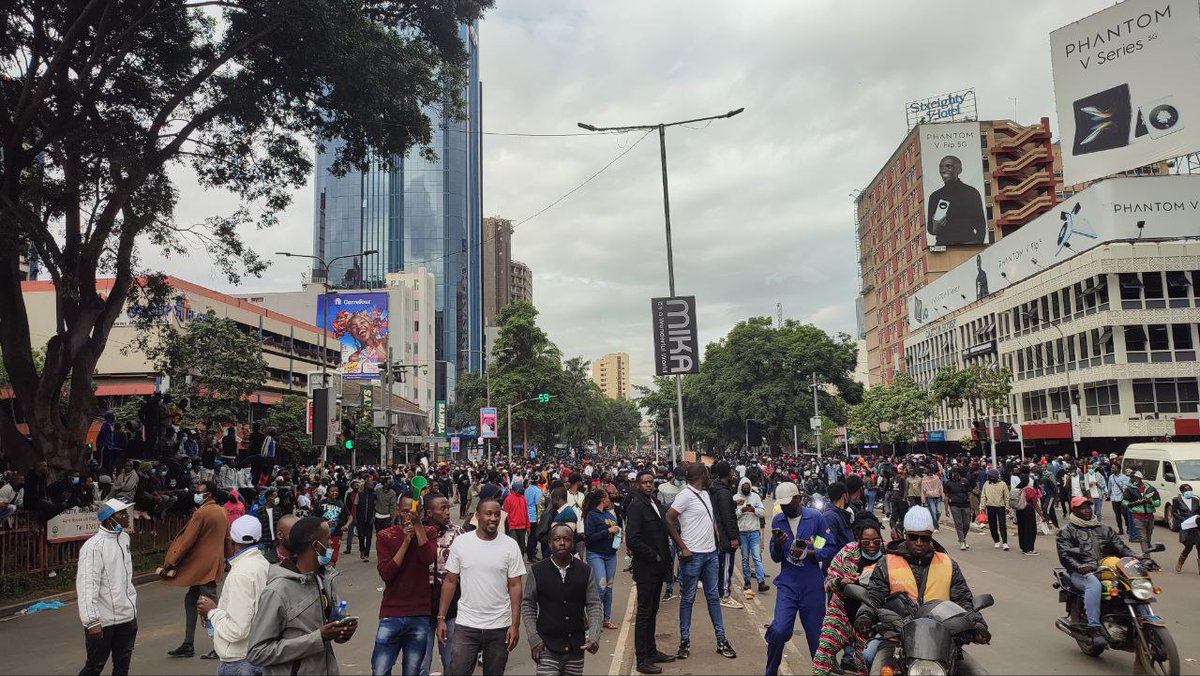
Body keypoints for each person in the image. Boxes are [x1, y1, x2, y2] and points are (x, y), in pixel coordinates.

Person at [854, 507, 989, 672]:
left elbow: (963, 600)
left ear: (931, 538)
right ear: (905, 535)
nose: (919, 542)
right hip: (896, 640)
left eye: (924, 538)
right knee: (869, 656)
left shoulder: (948, 564)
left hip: (942, 642)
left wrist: (978, 624)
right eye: (913, 537)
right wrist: (865, 616)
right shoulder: (886, 563)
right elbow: (874, 597)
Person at [247, 516, 357, 675]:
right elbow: (257, 652)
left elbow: (327, 628)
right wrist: (318, 638)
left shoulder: (324, 579)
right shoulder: (277, 591)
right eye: (327, 539)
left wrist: (342, 630)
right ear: (316, 546)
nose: (332, 542)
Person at [438, 497, 526, 676]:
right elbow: (450, 581)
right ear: (477, 516)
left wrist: (515, 624)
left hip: (499, 626)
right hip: (466, 625)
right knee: (458, 671)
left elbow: (515, 585)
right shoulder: (462, 543)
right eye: (488, 514)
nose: (493, 518)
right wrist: (441, 617)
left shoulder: (510, 545)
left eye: (497, 514)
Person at [664, 462, 736, 660]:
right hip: (693, 555)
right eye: (706, 472)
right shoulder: (685, 495)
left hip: (710, 554)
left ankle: (721, 640)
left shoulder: (705, 494)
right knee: (688, 599)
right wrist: (683, 547)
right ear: (702, 475)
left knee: (713, 597)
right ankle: (684, 642)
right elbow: (669, 518)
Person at [1056, 496, 1139, 650]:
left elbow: (1122, 549)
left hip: (1107, 569)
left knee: (1131, 582)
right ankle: (1094, 626)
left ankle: (1134, 619)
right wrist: (1079, 566)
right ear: (1074, 510)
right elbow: (1065, 556)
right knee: (1093, 584)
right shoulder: (1066, 532)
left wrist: (1139, 557)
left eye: (1089, 507)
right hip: (1081, 573)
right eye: (1082, 508)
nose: (1087, 510)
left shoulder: (1105, 528)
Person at [520, 523, 603, 676]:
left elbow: (594, 604)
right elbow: (528, 604)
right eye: (557, 539)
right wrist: (534, 638)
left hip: (576, 648)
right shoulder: (537, 571)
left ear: (573, 542)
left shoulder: (585, 571)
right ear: (550, 542)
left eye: (567, 539)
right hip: (546, 646)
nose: (562, 543)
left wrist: (594, 636)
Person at [161, 480, 228, 659]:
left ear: (210, 494)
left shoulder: (202, 513)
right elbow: (227, 540)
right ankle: (188, 643)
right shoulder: (221, 511)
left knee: (209, 608)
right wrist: (229, 560)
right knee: (191, 600)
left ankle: (219, 646)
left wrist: (171, 561)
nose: (197, 493)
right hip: (212, 565)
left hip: (201, 567)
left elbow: (187, 542)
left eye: (200, 491)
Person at [763, 482, 826, 675]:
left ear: (798, 499)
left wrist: (810, 551)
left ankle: (820, 672)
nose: (784, 508)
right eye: (781, 505)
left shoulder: (815, 518)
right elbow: (774, 556)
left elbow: (826, 548)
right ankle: (770, 671)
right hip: (788, 584)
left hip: (812, 586)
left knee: (816, 640)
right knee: (780, 631)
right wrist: (779, 545)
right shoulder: (778, 521)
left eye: (788, 504)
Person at [812, 515, 885, 676]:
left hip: (870, 622)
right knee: (822, 658)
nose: (872, 545)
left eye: (876, 541)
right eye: (866, 542)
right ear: (859, 540)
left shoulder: (888, 557)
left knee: (865, 664)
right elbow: (828, 581)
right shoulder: (848, 552)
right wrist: (841, 581)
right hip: (842, 613)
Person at [372, 494, 436, 675]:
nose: (409, 516)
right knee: (380, 669)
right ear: (398, 512)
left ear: (421, 512)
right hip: (391, 613)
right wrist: (406, 542)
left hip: (419, 613)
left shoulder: (429, 532)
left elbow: (428, 559)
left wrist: (418, 529)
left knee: (413, 670)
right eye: (406, 512)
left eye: (414, 512)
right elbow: (387, 574)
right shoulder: (386, 536)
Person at [198, 515, 270, 676]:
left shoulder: (241, 573)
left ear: (231, 540)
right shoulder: (262, 564)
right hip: (256, 654)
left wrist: (212, 612)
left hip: (240, 660)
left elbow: (237, 630)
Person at [77, 499, 138, 676]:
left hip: (127, 617)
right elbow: (87, 584)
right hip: (103, 622)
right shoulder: (94, 547)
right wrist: (91, 621)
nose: (127, 517)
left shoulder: (124, 538)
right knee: (94, 667)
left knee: (122, 666)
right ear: (110, 518)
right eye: (122, 514)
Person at [625, 469, 676, 675]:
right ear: (638, 484)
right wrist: (653, 555)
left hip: (659, 567)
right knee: (644, 613)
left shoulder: (654, 503)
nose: (648, 485)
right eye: (644, 482)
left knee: (653, 610)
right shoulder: (636, 507)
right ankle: (642, 658)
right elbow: (632, 540)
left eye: (650, 482)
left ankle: (652, 650)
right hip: (646, 568)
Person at [422, 493, 464, 675]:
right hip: (422, 605)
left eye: (448, 507)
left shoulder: (458, 533)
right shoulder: (419, 533)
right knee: (421, 662)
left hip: (451, 605)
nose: (447, 512)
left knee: (452, 661)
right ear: (429, 512)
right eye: (442, 508)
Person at [583, 487, 622, 631]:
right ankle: (595, 619)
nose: (609, 499)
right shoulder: (591, 516)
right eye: (607, 497)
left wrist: (618, 533)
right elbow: (589, 538)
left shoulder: (609, 514)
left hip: (610, 555)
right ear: (601, 500)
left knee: (609, 587)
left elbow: (614, 529)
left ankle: (606, 619)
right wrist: (607, 531)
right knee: (601, 587)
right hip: (596, 554)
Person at [925, 154, 986, 245]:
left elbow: (980, 224)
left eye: (948, 166)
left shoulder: (971, 193)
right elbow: (931, 230)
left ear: (959, 170)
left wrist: (976, 245)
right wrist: (936, 227)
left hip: (968, 244)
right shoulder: (935, 196)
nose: (943, 170)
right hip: (944, 247)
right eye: (941, 167)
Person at [706, 461, 742, 610]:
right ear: (729, 472)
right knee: (727, 565)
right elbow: (727, 517)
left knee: (720, 566)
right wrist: (733, 537)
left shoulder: (714, 489)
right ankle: (725, 595)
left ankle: (720, 591)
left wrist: (733, 503)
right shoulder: (724, 492)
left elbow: (722, 508)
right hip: (725, 537)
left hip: (717, 534)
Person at [732, 476, 769, 595]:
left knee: (756, 557)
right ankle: (747, 581)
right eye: (744, 487)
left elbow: (762, 512)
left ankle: (761, 581)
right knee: (744, 558)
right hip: (742, 533)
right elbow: (732, 515)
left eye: (748, 487)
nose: (746, 489)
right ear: (740, 487)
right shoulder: (735, 498)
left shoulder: (756, 497)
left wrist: (754, 510)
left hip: (754, 532)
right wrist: (741, 511)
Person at [657, 466, 686, 601]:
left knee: (682, 559)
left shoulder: (686, 488)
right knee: (670, 558)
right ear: (673, 476)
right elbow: (659, 507)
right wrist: (673, 505)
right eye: (678, 479)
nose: (680, 481)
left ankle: (682, 587)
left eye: (682, 479)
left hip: (683, 529)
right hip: (668, 529)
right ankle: (668, 588)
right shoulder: (663, 488)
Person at [1123, 470, 1161, 553]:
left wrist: (1150, 502)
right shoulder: (1129, 489)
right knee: (1143, 537)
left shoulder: (1151, 489)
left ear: (1139, 478)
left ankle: (1146, 552)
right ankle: (1147, 559)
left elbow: (1158, 502)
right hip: (1137, 517)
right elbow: (1124, 502)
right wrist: (1134, 503)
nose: (1131, 480)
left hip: (1150, 517)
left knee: (1148, 538)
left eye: (1133, 478)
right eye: (1131, 478)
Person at [1172, 484, 1200, 573]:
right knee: (1189, 546)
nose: (1189, 492)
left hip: (1196, 525)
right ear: (1182, 492)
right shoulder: (1177, 500)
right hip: (1186, 525)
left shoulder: (1195, 500)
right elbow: (1174, 512)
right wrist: (1181, 519)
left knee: (1199, 546)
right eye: (1187, 490)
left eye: (1190, 490)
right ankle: (1180, 562)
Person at [943, 468, 973, 550]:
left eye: (954, 473)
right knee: (958, 524)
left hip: (965, 505)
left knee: (966, 524)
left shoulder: (965, 481)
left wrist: (972, 507)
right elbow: (946, 496)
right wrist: (946, 509)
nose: (953, 475)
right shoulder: (947, 483)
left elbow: (969, 494)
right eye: (952, 473)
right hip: (954, 505)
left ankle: (962, 538)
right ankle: (962, 541)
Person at [980, 469, 1010, 551]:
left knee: (1002, 525)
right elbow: (983, 496)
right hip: (990, 507)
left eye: (989, 476)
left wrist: (1007, 507)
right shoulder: (986, 484)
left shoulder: (1003, 484)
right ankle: (996, 541)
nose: (988, 477)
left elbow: (1007, 497)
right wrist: (982, 507)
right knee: (992, 525)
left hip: (1001, 507)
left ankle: (1005, 543)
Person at [318, 485, 346, 566]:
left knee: (333, 558)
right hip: (322, 535)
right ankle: (323, 574)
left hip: (336, 534)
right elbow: (315, 518)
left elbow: (348, 516)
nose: (335, 493)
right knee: (323, 557)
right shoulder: (321, 503)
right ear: (327, 492)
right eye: (332, 491)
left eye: (336, 491)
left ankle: (330, 575)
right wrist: (325, 523)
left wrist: (345, 525)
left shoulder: (340, 503)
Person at [504, 481, 532, 558]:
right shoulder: (508, 499)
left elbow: (526, 513)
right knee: (514, 548)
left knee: (522, 548)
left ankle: (521, 562)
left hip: (522, 527)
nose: (522, 490)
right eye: (520, 489)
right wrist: (508, 528)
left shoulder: (523, 498)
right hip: (512, 528)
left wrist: (528, 526)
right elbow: (506, 515)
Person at [524, 477, 544, 562]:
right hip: (533, 516)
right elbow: (537, 505)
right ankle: (531, 557)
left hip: (527, 514)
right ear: (537, 482)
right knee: (533, 538)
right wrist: (538, 518)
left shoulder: (527, 489)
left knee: (530, 537)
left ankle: (531, 555)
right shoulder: (538, 491)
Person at [920, 468, 944, 532]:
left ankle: (934, 521)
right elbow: (923, 490)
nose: (931, 473)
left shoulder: (936, 477)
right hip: (929, 497)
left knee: (939, 511)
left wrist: (942, 495)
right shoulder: (924, 479)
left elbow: (940, 486)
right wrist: (923, 500)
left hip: (937, 496)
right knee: (933, 512)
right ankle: (936, 526)